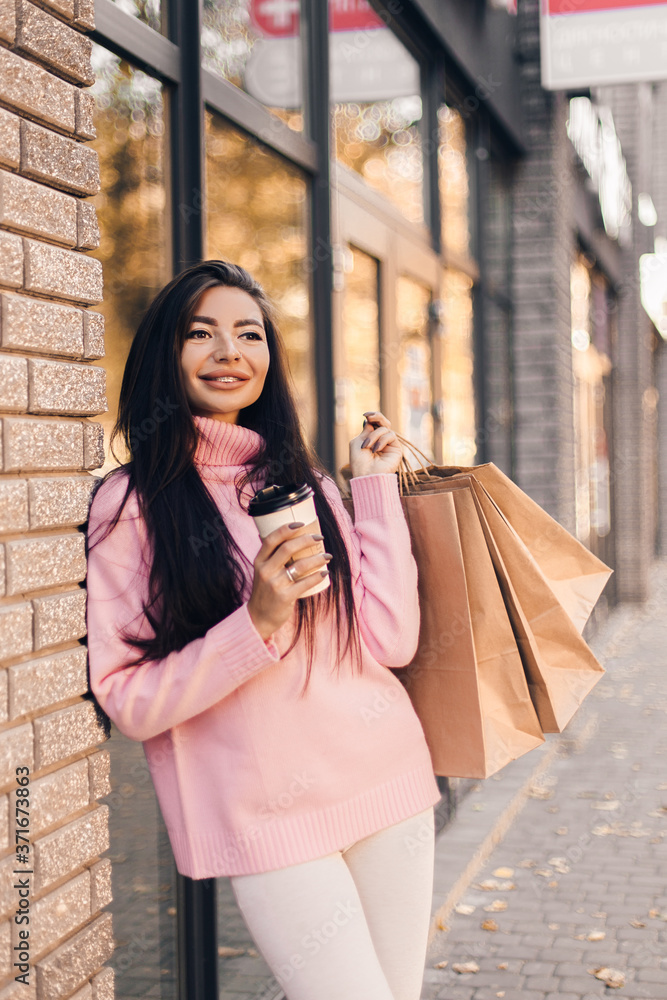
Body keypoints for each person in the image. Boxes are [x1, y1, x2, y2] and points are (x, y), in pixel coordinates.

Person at [86, 260, 442, 1000]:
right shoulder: (132, 505)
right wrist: (257, 623)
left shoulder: (298, 482)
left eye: (249, 334)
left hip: (388, 781)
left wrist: (370, 489)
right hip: (267, 820)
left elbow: (390, 641)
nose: (230, 353)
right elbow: (129, 699)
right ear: (165, 353)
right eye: (201, 334)